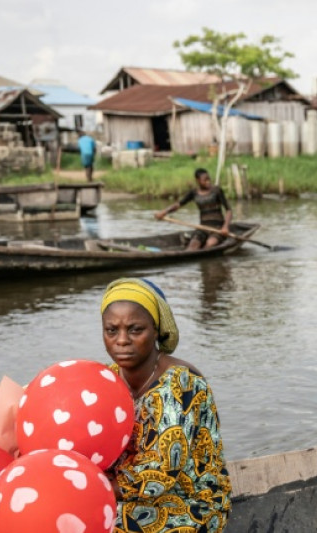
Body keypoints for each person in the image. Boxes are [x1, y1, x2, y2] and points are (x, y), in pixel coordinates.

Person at [101, 277, 231, 532]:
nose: (122, 340)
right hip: (131, 494)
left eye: (135, 329)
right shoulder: (109, 378)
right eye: (112, 330)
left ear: (156, 330)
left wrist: (94, 487)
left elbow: (160, 473)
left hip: (190, 503)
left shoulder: (181, 384)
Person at [155, 168, 233, 250]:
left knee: (210, 244)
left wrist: (225, 227)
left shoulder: (216, 190)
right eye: (205, 180)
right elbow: (178, 204)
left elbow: (229, 210)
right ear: (198, 180)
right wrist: (164, 212)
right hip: (203, 228)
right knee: (192, 246)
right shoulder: (194, 192)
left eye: (208, 179)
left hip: (218, 228)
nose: (208, 181)